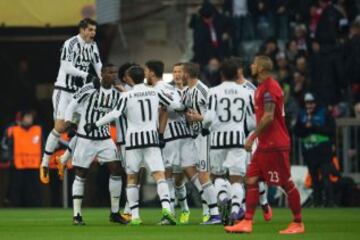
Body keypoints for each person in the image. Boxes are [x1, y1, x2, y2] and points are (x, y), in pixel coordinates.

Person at [85, 66, 183, 225]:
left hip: (133, 142)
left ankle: (135, 216)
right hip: (151, 139)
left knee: (132, 177)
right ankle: (166, 209)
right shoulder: (154, 91)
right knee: (159, 175)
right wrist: (184, 107)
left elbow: (114, 114)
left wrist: (95, 124)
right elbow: (174, 105)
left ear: (129, 78)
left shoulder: (126, 96)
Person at [225, 55, 304, 234]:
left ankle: (298, 222)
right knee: (251, 179)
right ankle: (247, 222)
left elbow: (268, 116)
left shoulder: (269, 88)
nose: (251, 66)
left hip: (275, 144)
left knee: (285, 183)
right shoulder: (262, 87)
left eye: (254, 64)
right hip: (265, 144)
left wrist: (252, 137)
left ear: (260, 68)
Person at [186, 59, 254, 225]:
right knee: (236, 178)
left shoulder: (214, 91)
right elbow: (252, 122)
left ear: (222, 74)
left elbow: (208, 118)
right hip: (238, 138)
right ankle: (237, 208)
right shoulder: (247, 92)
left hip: (217, 139)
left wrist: (202, 124)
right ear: (238, 73)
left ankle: (222, 197)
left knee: (217, 176)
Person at [40, 18, 102, 184]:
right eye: (90, 30)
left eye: (94, 30)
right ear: (82, 30)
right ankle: (45, 163)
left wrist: (103, 83)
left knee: (85, 129)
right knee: (60, 127)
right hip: (64, 91)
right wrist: (87, 76)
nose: (92, 33)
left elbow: (98, 65)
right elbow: (66, 67)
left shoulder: (93, 46)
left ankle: (63, 159)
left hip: (79, 93)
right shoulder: (70, 43)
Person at [64, 63, 127, 225]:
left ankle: (114, 212)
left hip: (105, 138)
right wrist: (70, 123)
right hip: (85, 138)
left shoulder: (116, 94)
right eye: (110, 72)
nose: (114, 75)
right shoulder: (89, 88)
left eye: (115, 73)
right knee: (81, 174)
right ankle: (77, 215)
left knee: (116, 170)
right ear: (102, 74)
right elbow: (71, 105)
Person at [183, 63, 221, 224]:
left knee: (205, 174)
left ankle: (215, 213)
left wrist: (200, 118)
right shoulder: (187, 92)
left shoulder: (204, 90)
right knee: (188, 167)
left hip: (205, 137)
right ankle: (213, 206)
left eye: (182, 72)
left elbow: (216, 115)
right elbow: (183, 108)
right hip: (194, 138)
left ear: (187, 74)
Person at [161, 63, 193, 224]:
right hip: (168, 137)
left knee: (179, 178)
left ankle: (185, 208)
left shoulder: (191, 91)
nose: (177, 74)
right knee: (167, 173)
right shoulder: (167, 90)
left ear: (186, 73)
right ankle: (170, 213)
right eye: (174, 71)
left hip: (186, 138)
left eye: (179, 71)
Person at [294, 92, 335, 207]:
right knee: (314, 178)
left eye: (311, 103)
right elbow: (297, 132)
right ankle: (317, 202)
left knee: (326, 176)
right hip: (309, 152)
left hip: (323, 151)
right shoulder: (301, 115)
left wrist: (313, 126)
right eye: (307, 103)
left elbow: (330, 130)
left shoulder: (324, 113)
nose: (309, 105)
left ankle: (329, 202)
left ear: (315, 103)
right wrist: (305, 127)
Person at [4, 110, 42, 207]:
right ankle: (14, 206)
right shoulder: (13, 130)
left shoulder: (38, 130)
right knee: (16, 188)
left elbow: (43, 145)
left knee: (33, 189)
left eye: (31, 117)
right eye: (27, 117)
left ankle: (34, 207)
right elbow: (6, 145)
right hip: (18, 164)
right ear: (22, 118)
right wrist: (8, 158)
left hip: (34, 164)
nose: (29, 119)